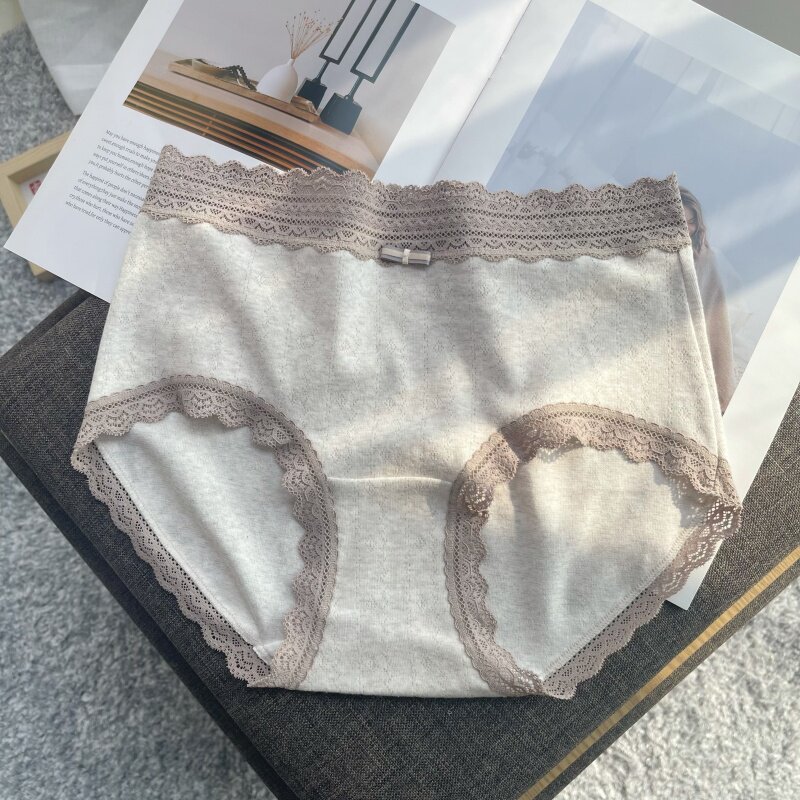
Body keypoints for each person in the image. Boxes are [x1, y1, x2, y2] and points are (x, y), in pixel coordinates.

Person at [680, 187, 736, 413]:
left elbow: (714, 310)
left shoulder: (705, 257)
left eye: (692, 222)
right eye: (681, 221)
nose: (687, 228)